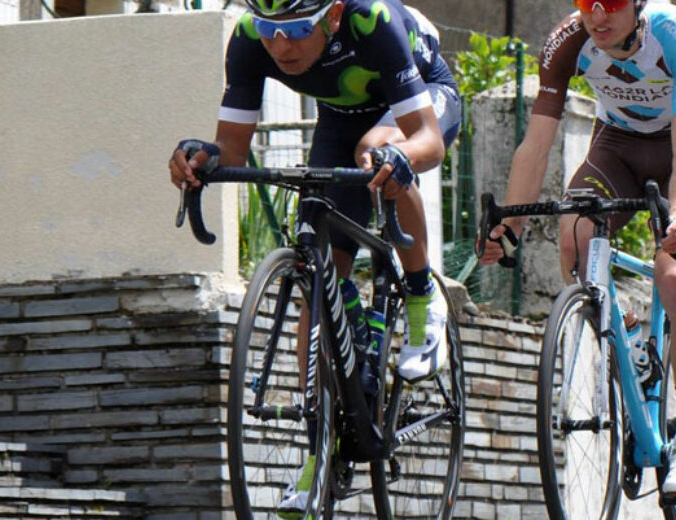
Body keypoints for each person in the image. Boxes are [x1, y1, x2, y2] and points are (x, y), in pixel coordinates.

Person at [167, 0, 461, 515]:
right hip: (338, 122)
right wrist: (201, 157)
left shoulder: (371, 20)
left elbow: (429, 142)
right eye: (270, 30)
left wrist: (401, 157)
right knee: (320, 283)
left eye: (298, 29)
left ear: (333, 15)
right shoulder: (248, 38)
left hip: (420, 103)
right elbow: (231, 150)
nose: (281, 45)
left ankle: (421, 296)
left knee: (378, 147)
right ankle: (319, 451)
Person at [478, 0, 676, 501]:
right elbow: (535, 146)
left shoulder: (674, 34)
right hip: (616, 147)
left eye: (610, 4)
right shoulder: (567, 42)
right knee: (574, 238)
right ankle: (630, 338)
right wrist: (510, 226)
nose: (597, 16)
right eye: (586, 3)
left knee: (675, 276)